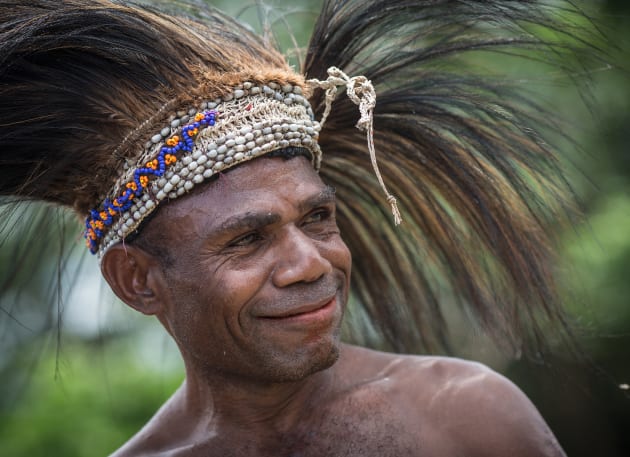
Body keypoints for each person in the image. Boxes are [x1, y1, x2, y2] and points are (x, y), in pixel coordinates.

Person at [0, 0, 602, 455]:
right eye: (246, 239)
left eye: (317, 218)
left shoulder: (463, 418)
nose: (311, 264)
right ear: (137, 280)